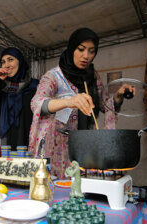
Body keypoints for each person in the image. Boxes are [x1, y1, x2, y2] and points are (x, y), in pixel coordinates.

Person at [29, 28, 133, 179]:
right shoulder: (54, 76)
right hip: (61, 146)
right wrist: (69, 101)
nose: (86, 56)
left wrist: (118, 97)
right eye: (81, 49)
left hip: (87, 142)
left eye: (92, 51)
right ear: (72, 48)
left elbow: (104, 105)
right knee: (64, 186)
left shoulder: (93, 77)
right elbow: (37, 103)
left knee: (86, 185)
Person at [0, 47, 39, 154]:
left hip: (27, 140)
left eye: (10, 59)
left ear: (20, 62)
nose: (6, 65)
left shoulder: (34, 86)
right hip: (3, 142)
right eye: (3, 62)